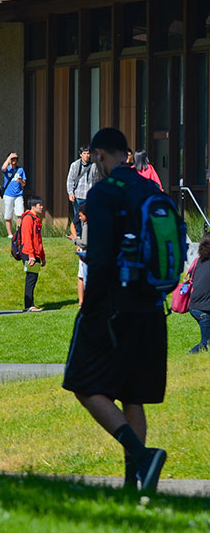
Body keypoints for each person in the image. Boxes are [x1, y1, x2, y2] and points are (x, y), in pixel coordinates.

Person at [62, 127, 169, 493]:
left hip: (114, 309)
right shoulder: (151, 189)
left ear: (100, 156)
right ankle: (132, 484)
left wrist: (88, 309)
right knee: (132, 394)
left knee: (82, 384)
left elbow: (101, 259)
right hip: (152, 307)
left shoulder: (103, 193)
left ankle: (142, 458)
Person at [19, 196, 46, 312]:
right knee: (31, 279)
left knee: (33, 279)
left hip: (36, 253)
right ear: (33, 206)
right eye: (39, 205)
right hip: (29, 253)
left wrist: (42, 256)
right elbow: (27, 238)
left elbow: (38, 239)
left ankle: (30, 305)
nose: (42, 207)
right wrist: (31, 255)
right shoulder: (28, 218)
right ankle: (29, 305)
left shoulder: (36, 218)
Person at [66, 145, 98, 238]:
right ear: (80, 154)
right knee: (78, 216)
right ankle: (78, 235)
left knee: (89, 216)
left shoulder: (94, 166)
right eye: (84, 153)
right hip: (78, 195)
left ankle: (88, 235)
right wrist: (70, 193)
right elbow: (70, 180)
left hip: (89, 195)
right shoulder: (75, 165)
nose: (87, 155)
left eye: (88, 153)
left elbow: (96, 181)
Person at [187, 232, 210, 354]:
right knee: (206, 343)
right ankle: (186, 358)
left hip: (195, 306)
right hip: (204, 310)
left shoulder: (198, 262)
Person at [1, 153, 26, 237]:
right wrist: (9, 158)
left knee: (20, 214)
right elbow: (3, 168)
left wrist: (21, 181)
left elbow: (24, 184)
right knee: (8, 215)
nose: (14, 160)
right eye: (12, 158)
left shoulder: (20, 170)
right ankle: (10, 234)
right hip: (8, 195)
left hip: (18, 195)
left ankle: (18, 233)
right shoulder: (7, 169)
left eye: (15, 158)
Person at [72, 204, 88, 308]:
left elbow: (84, 242)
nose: (79, 218)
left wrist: (74, 240)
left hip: (86, 255)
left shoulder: (87, 225)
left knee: (85, 278)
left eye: (81, 215)